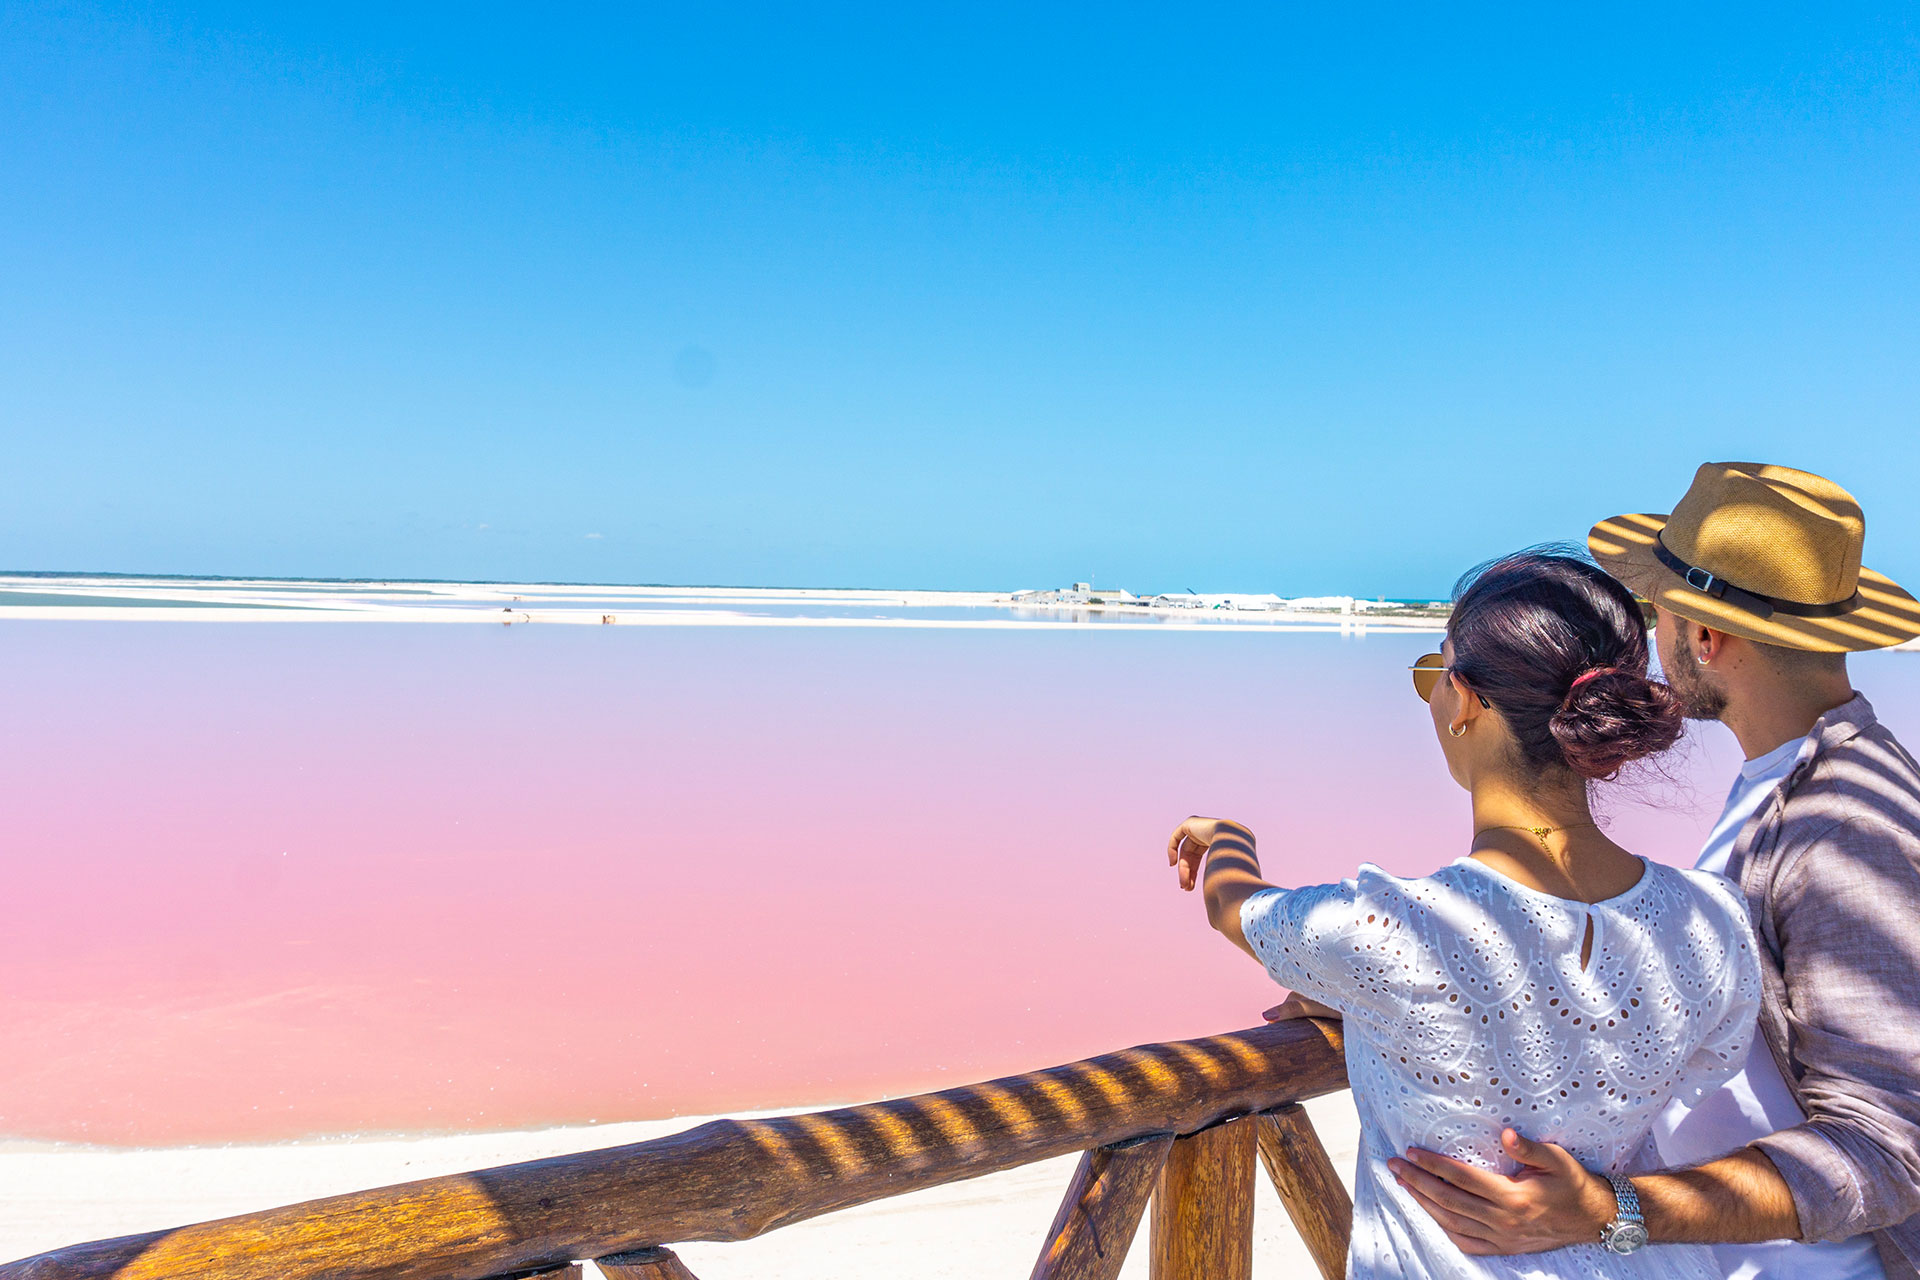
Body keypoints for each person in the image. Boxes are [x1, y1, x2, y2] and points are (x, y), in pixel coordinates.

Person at [1376, 463, 1920, 1280]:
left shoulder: (1846, 827)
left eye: (1658, 609)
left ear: (1705, 638)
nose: (1651, 635)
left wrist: (1615, 1212)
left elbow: (1886, 1147)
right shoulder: (1794, 779)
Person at [1167, 549, 1762, 1279]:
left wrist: (1231, 838)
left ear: (1467, 703)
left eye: (1435, 674)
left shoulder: (1393, 931)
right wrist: (1367, 1011)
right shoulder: (1711, 920)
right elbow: (1620, 1044)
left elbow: (1235, 908)